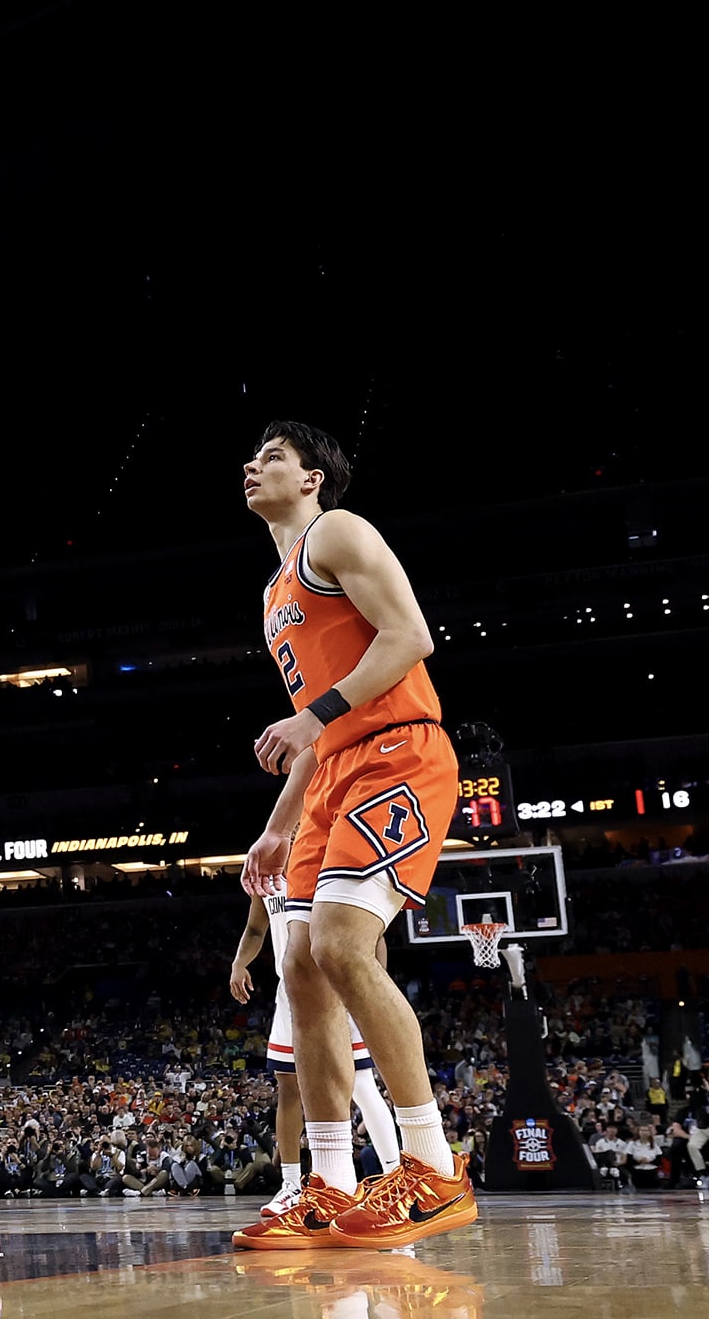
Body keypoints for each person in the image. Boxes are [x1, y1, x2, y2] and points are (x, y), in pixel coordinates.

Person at [234, 421, 476, 1250]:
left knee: (341, 946)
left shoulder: (336, 531)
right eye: (253, 455)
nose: (252, 465)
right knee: (298, 964)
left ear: (311, 480)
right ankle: (330, 1182)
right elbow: (314, 739)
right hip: (336, 772)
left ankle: (433, 1167)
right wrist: (275, 829)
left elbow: (410, 636)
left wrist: (312, 717)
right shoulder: (273, 593)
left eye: (272, 456)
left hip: (398, 750)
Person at [226, 877, 401, 1222]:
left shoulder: (328, 869)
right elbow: (255, 930)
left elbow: (375, 934)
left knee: (363, 1085)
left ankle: (394, 1178)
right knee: (288, 1088)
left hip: (337, 989)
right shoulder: (267, 881)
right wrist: (239, 963)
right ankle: (291, 1185)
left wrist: (372, 983)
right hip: (290, 993)